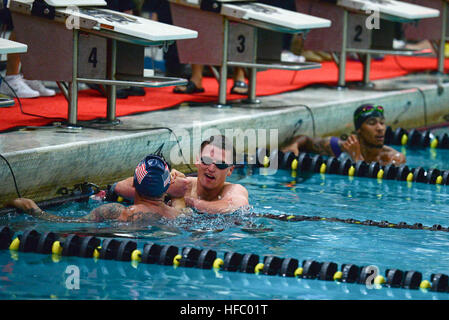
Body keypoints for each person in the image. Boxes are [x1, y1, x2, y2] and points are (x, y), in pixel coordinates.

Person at [8, 154, 191, 223]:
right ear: (167, 186)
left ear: (134, 183)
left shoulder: (116, 212)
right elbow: (179, 202)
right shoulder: (182, 215)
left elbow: (67, 225)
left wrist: (33, 209)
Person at [111, 135, 249, 213]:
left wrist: (190, 202)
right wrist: (164, 185)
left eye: (220, 164)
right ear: (196, 160)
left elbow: (236, 207)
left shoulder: (233, 190)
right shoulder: (183, 185)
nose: (211, 168)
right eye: (206, 160)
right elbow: (118, 187)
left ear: (230, 170)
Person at [282, 104, 406, 166]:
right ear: (359, 130)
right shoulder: (341, 147)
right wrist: (293, 145)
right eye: (372, 123)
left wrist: (356, 157)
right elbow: (307, 140)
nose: (380, 128)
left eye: (382, 123)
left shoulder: (394, 158)